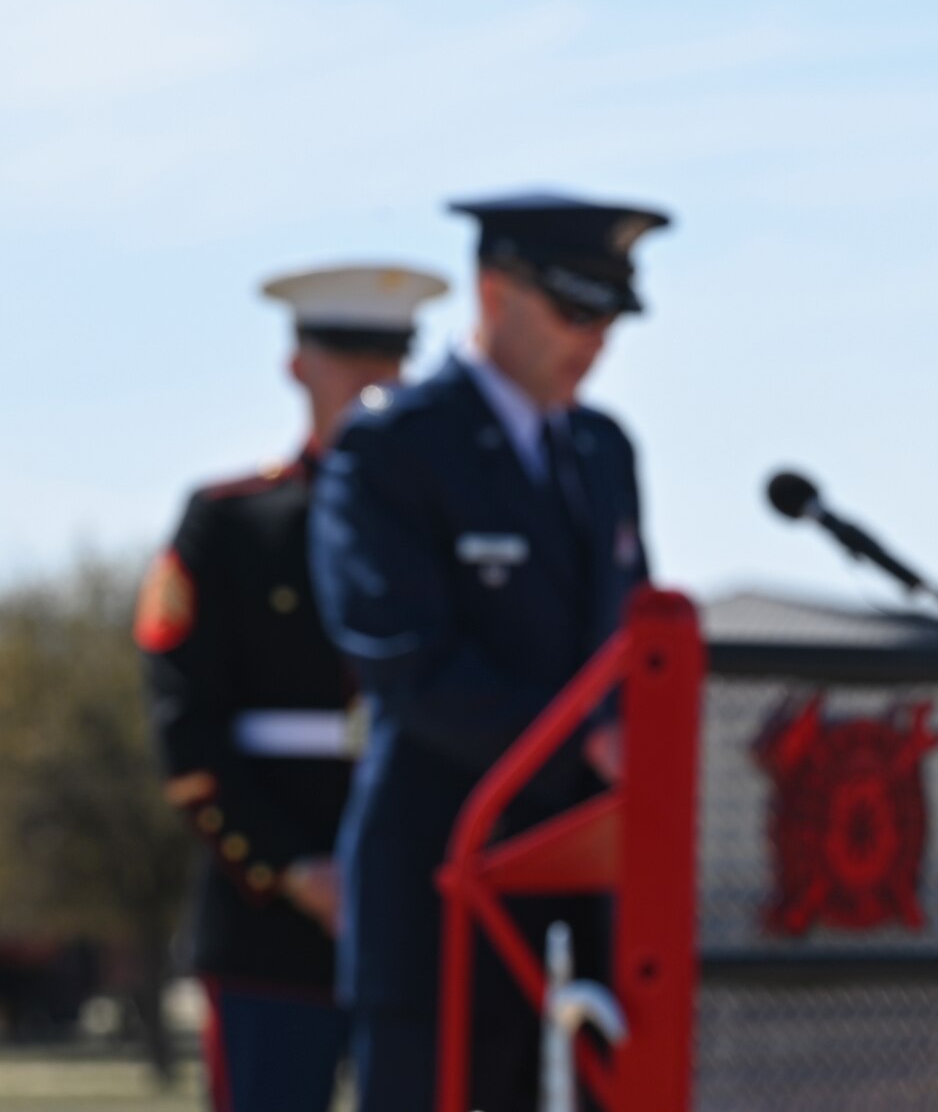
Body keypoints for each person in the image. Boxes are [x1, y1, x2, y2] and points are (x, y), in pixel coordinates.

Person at [309, 191, 667, 1112]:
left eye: (611, 315)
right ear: (495, 291)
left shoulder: (602, 450)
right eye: (575, 309)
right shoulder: (394, 447)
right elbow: (404, 658)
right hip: (440, 893)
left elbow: (631, 643)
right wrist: (582, 743)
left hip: (589, 903)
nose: (597, 340)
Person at [138, 263, 449, 1112]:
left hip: (422, 910)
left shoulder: (447, 526)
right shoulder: (232, 522)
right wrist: (293, 869)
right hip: (268, 923)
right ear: (297, 364)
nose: (369, 379)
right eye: (346, 354)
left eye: (389, 357)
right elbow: (186, 726)